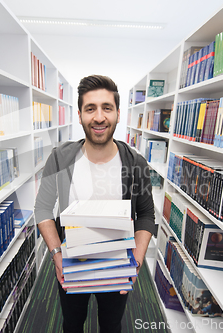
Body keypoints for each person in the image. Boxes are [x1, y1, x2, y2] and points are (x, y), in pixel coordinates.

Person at [34, 74, 155, 333]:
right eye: (90, 109)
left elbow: (146, 214)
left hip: (117, 264)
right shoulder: (60, 158)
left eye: (106, 108)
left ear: (118, 114)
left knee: (111, 325)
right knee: (72, 324)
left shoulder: (136, 163)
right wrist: (56, 254)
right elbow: (42, 208)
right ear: (79, 115)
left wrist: (136, 259)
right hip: (70, 262)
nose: (99, 117)